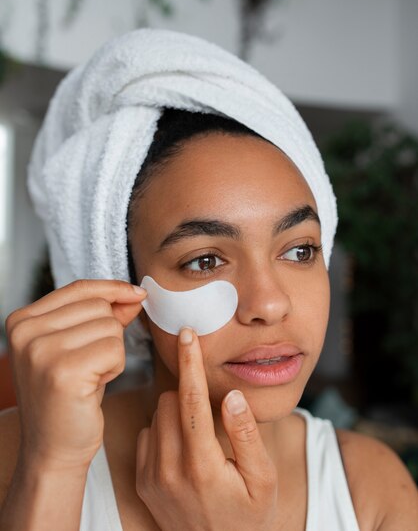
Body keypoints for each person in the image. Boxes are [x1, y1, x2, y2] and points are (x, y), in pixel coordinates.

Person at [0, 30, 417, 531]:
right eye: (205, 261)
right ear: (120, 284)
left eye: (299, 250)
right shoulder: (19, 459)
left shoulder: (370, 488)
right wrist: (54, 469)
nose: (270, 304)